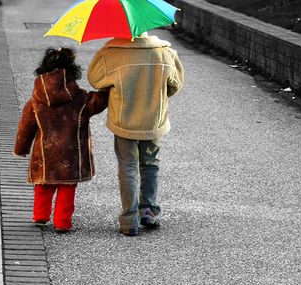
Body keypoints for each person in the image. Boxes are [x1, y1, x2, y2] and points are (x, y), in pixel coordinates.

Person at [88, 32, 184, 236]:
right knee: (150, 164)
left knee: (127, 167)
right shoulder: (163, 52)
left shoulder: (112, 52)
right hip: (152, 120)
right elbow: (175, 84)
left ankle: (129, 220)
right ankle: (149, 210)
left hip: (124, 120)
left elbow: (95, 79)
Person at [14, 47, 107, 232]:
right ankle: (62, 222)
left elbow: (26, 125)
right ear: (72, 71)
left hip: (44, 150)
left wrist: (21, 148)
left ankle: (40, 216)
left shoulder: (37, 98)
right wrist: (107, 90)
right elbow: (96, 103)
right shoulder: (79, 97)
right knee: (67, 188)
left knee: (44, 184)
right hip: (71, 153)